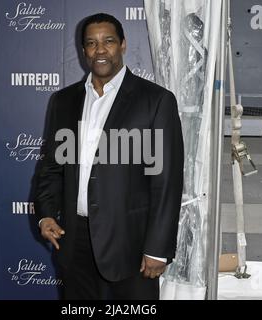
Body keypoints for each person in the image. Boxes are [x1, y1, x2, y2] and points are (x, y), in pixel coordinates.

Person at [31, 13, 184, 300]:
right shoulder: (63, 101)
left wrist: (157, 249)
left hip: (131, 246)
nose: (100, 50)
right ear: (83, 50)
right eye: (91, 43)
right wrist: (46, 215)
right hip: (74, 243)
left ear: (123, 45)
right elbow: (51, 168)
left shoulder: (155, 100)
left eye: (108, 41)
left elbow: (166, 182)